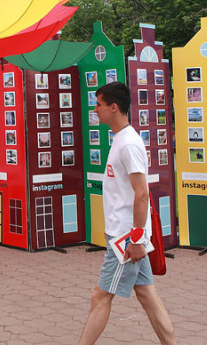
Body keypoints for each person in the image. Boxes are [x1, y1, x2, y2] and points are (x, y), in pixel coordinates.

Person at [78, 82, 176, 345]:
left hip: (126, 239)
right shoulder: (120, 139)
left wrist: (136, 238)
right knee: (147, 296)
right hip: (126, 235)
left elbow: (141, 194)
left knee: (100, 297)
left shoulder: (129, 144)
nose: (95, 109)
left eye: (98, 104)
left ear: (114, 107)